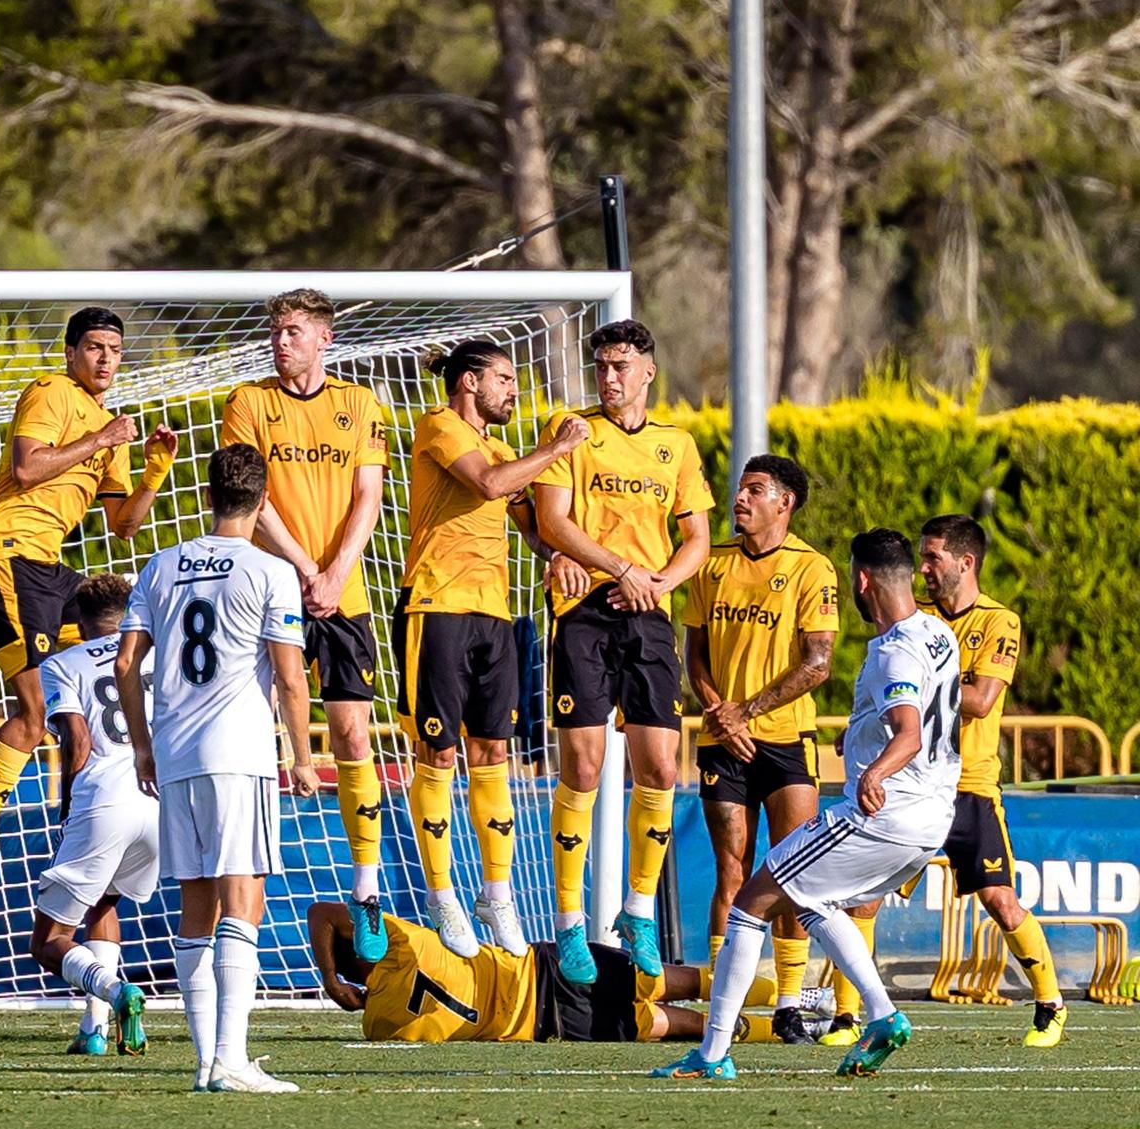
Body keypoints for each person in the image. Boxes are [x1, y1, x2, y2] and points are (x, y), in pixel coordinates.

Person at [655, 529, 960, 1080]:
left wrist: (877, 771)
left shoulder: (893, 651)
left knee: (751, 902)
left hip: (884, 813)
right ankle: (885, 1016)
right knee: (813, 903)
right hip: (933, 817)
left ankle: (712, 1053)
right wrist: (859, 735)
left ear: (861, 580)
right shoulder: (939, 633)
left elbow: (909, 733)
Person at [0, 307, 178, 917]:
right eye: (95, 347)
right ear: (72, 352)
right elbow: (27, 468)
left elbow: (123, 527)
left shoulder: (111, 427)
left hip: (48, 569)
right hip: (6, 553)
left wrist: (153, 470)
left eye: (115, 350)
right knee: (37, 706)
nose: (106, 359)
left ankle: (96, 816)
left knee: (122, 644)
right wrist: (101, 440)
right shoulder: (54, 392)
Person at [117, 444, 319, 1093]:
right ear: (263, 502)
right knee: (243, 897)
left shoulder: (161, 564)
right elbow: (290, 677)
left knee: (196, 904)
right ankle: (230, 1057)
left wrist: (144, 746)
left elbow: (126, 664)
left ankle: (209, 1063)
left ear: (209, 496)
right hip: (238, 752)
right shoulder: (271, 571)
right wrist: (305, 756)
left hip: (174, 753)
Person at [533, 318, 713, 983]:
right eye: (601, 366)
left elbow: (695, 535)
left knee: (661, 766)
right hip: (586, 612)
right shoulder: (571, 430)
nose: (608, 378)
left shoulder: (677, 446)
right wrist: (619, 567)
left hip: (649, 617)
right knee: (583, 763)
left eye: (620, 366)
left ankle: (639, 909)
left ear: (648, 373)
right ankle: (569, 921)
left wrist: (660, 580)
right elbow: (552, 519)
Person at [395, 339, 586, 956]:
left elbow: (528, 522)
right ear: (470, 382)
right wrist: (556, 448)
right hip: (436, 607)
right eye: (503, 379)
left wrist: (557, 555)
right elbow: (486, 483)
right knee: (438, 751)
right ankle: (443, 895)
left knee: (494, 752)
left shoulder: (505, 449)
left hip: (495, 615)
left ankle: (496, 895)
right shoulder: (440, 427)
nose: (512, 390)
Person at [219, 289, 391, 960]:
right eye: (275, 330)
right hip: (270, 590)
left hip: (342, 595)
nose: (280, 340)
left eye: (293, 330)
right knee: (256, 736)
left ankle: (367, 887)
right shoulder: (249, 402)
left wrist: (335, 572)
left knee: (352, 733)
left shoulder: (360, 404)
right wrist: (304, 568)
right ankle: (245, 883)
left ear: (324, 339)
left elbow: (367, 496)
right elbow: (251, 499)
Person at [682, 455, 839, 1042]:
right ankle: (729, 1006)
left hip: (786, 742)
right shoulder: (712, 563)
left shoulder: (812, 568)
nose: (740, 500)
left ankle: (791, 1005)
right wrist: (719, 712)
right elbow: (693, 653)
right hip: (723, 742)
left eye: (755, 490)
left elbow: (818, 663)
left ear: (786, 502)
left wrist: (744, 711)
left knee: (794, 873)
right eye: (739, 489)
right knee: (732, 870)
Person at [918, 514, 1065, 1047]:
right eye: (922, 557)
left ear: (966, 561)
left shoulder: (1000, 621)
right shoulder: (914, 619)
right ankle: (845, 1018)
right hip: (915, 783)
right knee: (864, 894)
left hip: (971, 786)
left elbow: (979, 701)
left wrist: (914, 693)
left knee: (1000, 900)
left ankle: (1050, 1004)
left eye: (932, 557)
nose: (923, 568)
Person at [306, 903, 815, 1045]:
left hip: (545, 1024)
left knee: (660, 1022)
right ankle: (796, 999)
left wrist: (339, 988)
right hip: (542, 967)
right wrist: (330, 975)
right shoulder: (396, 937)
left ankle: (782, 1027)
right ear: (363, 941)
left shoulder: (381, 1024)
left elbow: (323, 917)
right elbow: (322, 913)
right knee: (665, 982)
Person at [25, 573, 152, 1057]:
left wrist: (69, 806)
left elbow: (77, 740)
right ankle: (95, 1029)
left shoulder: (62, 663)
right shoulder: (155, 652)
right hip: (159, 799)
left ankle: (118, 992)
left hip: (104, 797)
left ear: (79, 621)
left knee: (48, 940)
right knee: (104, 905)